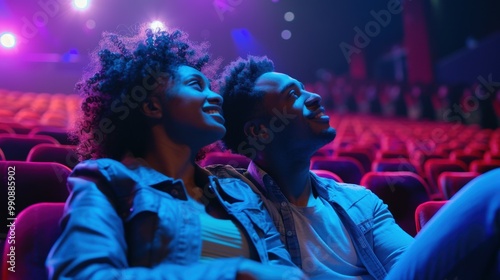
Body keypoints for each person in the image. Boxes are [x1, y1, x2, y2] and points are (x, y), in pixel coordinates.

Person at [45, 28, 306, 280]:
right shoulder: (106, 180)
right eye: (196, 86)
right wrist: (232, 274)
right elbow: (81, 274)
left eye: (212, 88)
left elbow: (283, 269)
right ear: (151, 105)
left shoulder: (239, 192)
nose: (216, 96)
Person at [209, 55, 413, 279]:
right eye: (293, 95)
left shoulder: (361, 201)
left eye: (304, 89)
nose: (315, 97)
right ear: (259, 132)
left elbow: (415, 268)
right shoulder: (233, 209)